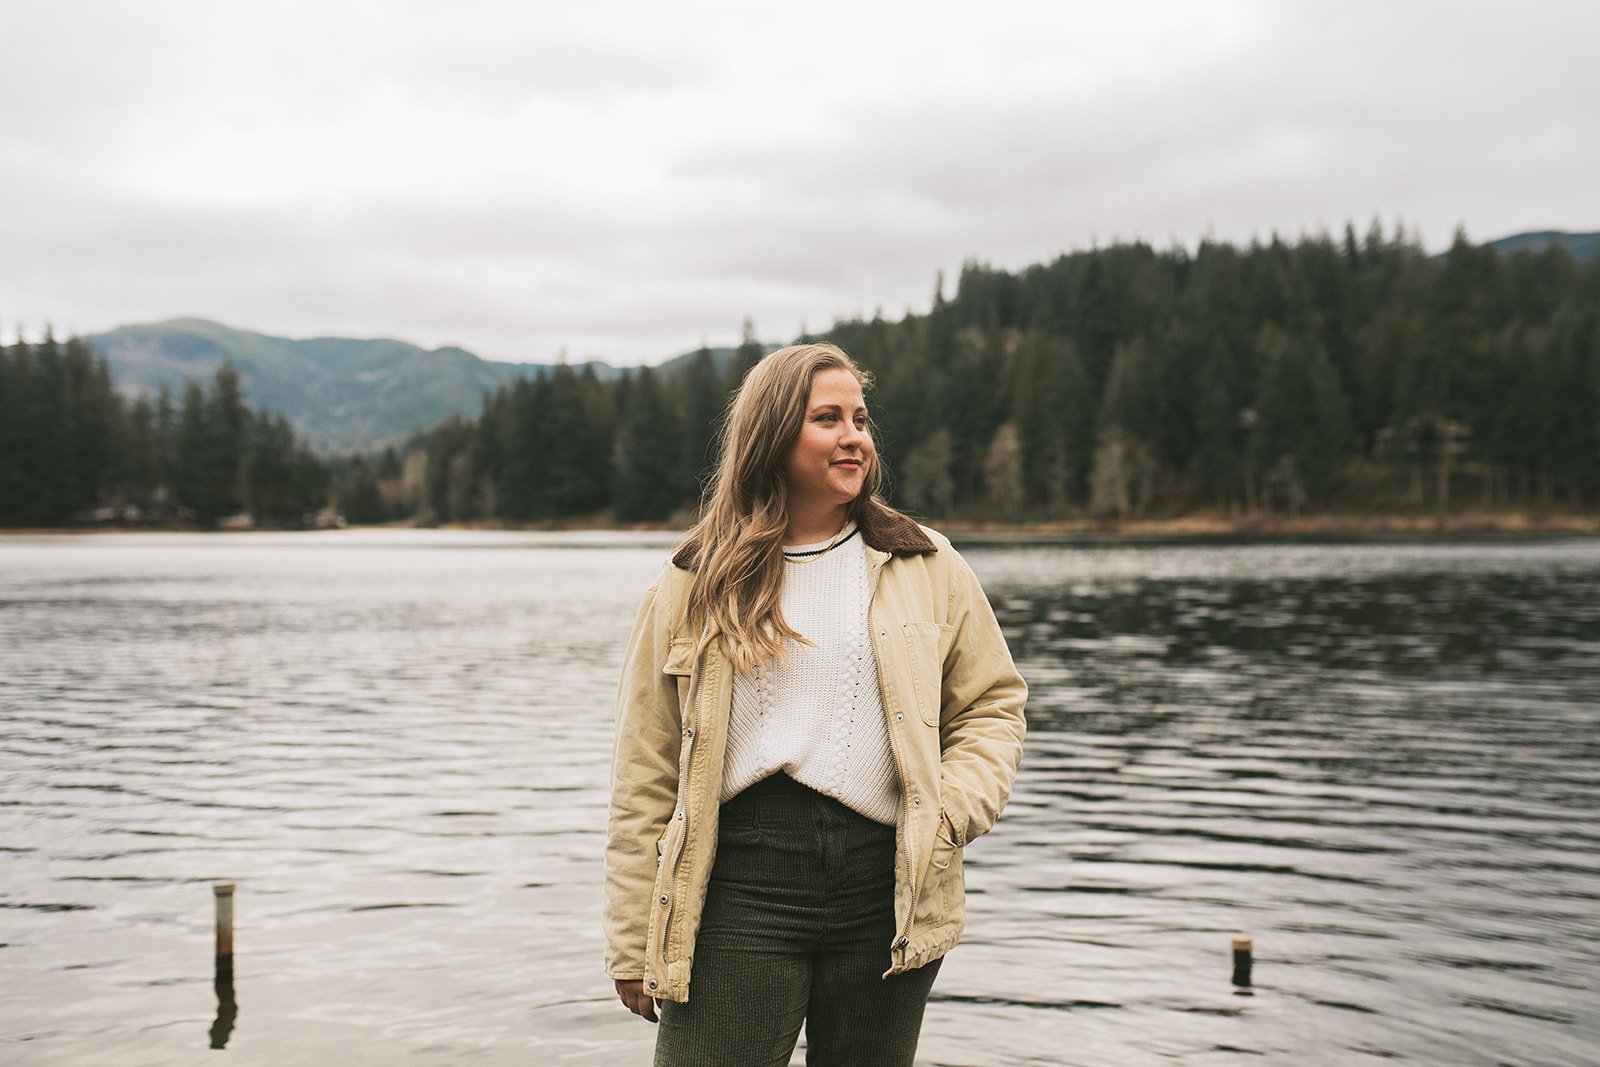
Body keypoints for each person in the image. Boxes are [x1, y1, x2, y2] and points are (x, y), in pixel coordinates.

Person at [603, 342, 1026, 1067]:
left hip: (886, 884)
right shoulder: (690, 582)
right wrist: (631, 933)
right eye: (827, 417)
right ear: (772, 434)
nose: (854, 435)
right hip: (737, 890)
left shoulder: (928, 564)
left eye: (860, 418)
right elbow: (645, 769)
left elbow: (993, 705)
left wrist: (951, 810)